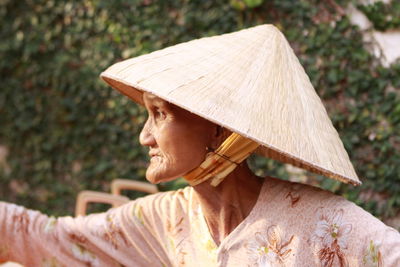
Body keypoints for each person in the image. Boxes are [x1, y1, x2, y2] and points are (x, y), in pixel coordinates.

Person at [1, 24, 399, 267]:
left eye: (159, 114)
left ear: (216, 130)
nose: (145, 136)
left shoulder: (324, 224)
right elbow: (55, 239)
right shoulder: (167, 219)